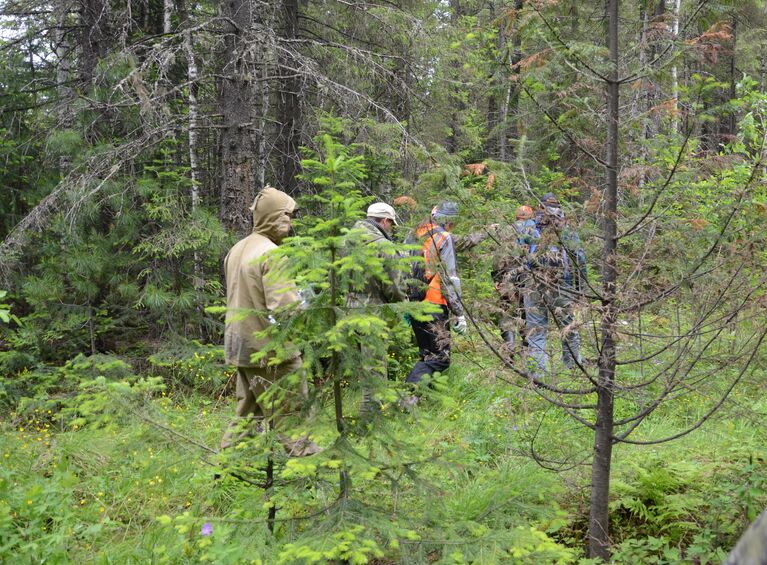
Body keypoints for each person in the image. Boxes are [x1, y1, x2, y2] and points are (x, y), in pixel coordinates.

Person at [221, 185, 320, 456]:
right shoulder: (272, 254)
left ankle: (226, 471)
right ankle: (308, 474)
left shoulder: (238, 249)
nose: (290, 223)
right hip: (270, 350)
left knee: (247, 414)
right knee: (293, 416)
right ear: (275, 216)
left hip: (241, 346)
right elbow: (285, 309)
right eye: (287, 216)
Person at [348, 202, 407, 417]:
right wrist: (403, 306)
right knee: (374, 366)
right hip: (373, 312)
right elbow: (393, 286)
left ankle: (371, 411)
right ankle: (371, 418)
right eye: (391, 223)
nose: (391, 228)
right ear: (384, 221)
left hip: (349, 310)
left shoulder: (346, 242)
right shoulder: (383, 246)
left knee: (363, 365)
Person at [404, 201, 466, 395]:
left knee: (427, 355)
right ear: (450, 221)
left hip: (413, 303)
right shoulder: (444, 238)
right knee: (440, 358)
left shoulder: (414, 235)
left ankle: (418, 401)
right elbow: (449, 277)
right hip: (434, 303)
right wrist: (459, 313)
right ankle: (406, 395)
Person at [524, 193, 587, 377]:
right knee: (569, 329)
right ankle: (574, 369)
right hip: (562, 284)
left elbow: (517, 255)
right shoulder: (566, 228)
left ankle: (538, 377)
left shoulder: (530, 227)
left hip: (534, 283)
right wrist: (581, 288)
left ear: (540, 207)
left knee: (536, 331)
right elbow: (579, 258)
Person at [491, 204, 537, 358]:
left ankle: (509, 352)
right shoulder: (534, 231)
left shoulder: (506, 230)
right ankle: (526, 353)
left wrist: (497, 278)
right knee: (526, 313)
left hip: (507, 278)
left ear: (516, 216)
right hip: (528, 279)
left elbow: (499, 256)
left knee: (507, 314)